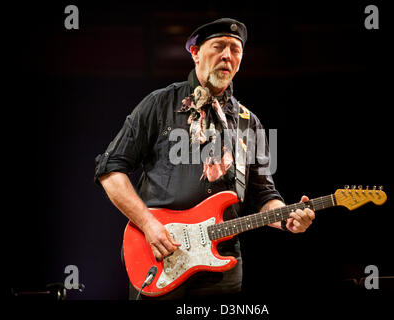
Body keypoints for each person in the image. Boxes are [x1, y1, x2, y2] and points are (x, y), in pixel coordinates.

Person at [94, 18, 315, 300]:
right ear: (195, 53)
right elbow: (110, 169)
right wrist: (148, 224)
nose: (227, 55)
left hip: (222, 265)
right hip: (161, 256)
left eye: (235, 49)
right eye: (219, 46)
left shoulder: (249, 123)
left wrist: (287, 218)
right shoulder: (160, 104)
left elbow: (263, 194)